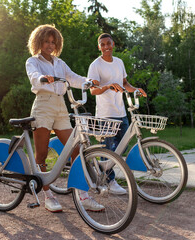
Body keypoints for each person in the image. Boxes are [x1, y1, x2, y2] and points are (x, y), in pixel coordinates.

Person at [26, 24, 104, 213]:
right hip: (43, 105)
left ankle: (82, 195)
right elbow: (34, 76)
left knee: (76, 148)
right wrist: (43, 78)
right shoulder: (33, 61)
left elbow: (73, 78)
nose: (50, 45)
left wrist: (88, 81)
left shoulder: (59, 63)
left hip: (61, 106)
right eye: (46, 41)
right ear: (39, 42)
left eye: (53, 42)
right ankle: (48, 195)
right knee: (41, 153)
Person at [87, 33, 147, 195]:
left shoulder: (119, 62)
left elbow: (125, 83)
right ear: (99, 47)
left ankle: (101, 168)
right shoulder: (95, 65)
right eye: (103, 44)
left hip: (121, 111)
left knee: (123, 145)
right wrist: (108, 86)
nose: (106, 47)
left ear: (113, 45)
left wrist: (135, 90)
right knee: (108, 148)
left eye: (109, 43)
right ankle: (109, 179)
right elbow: (93, 90)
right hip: (106, 114)